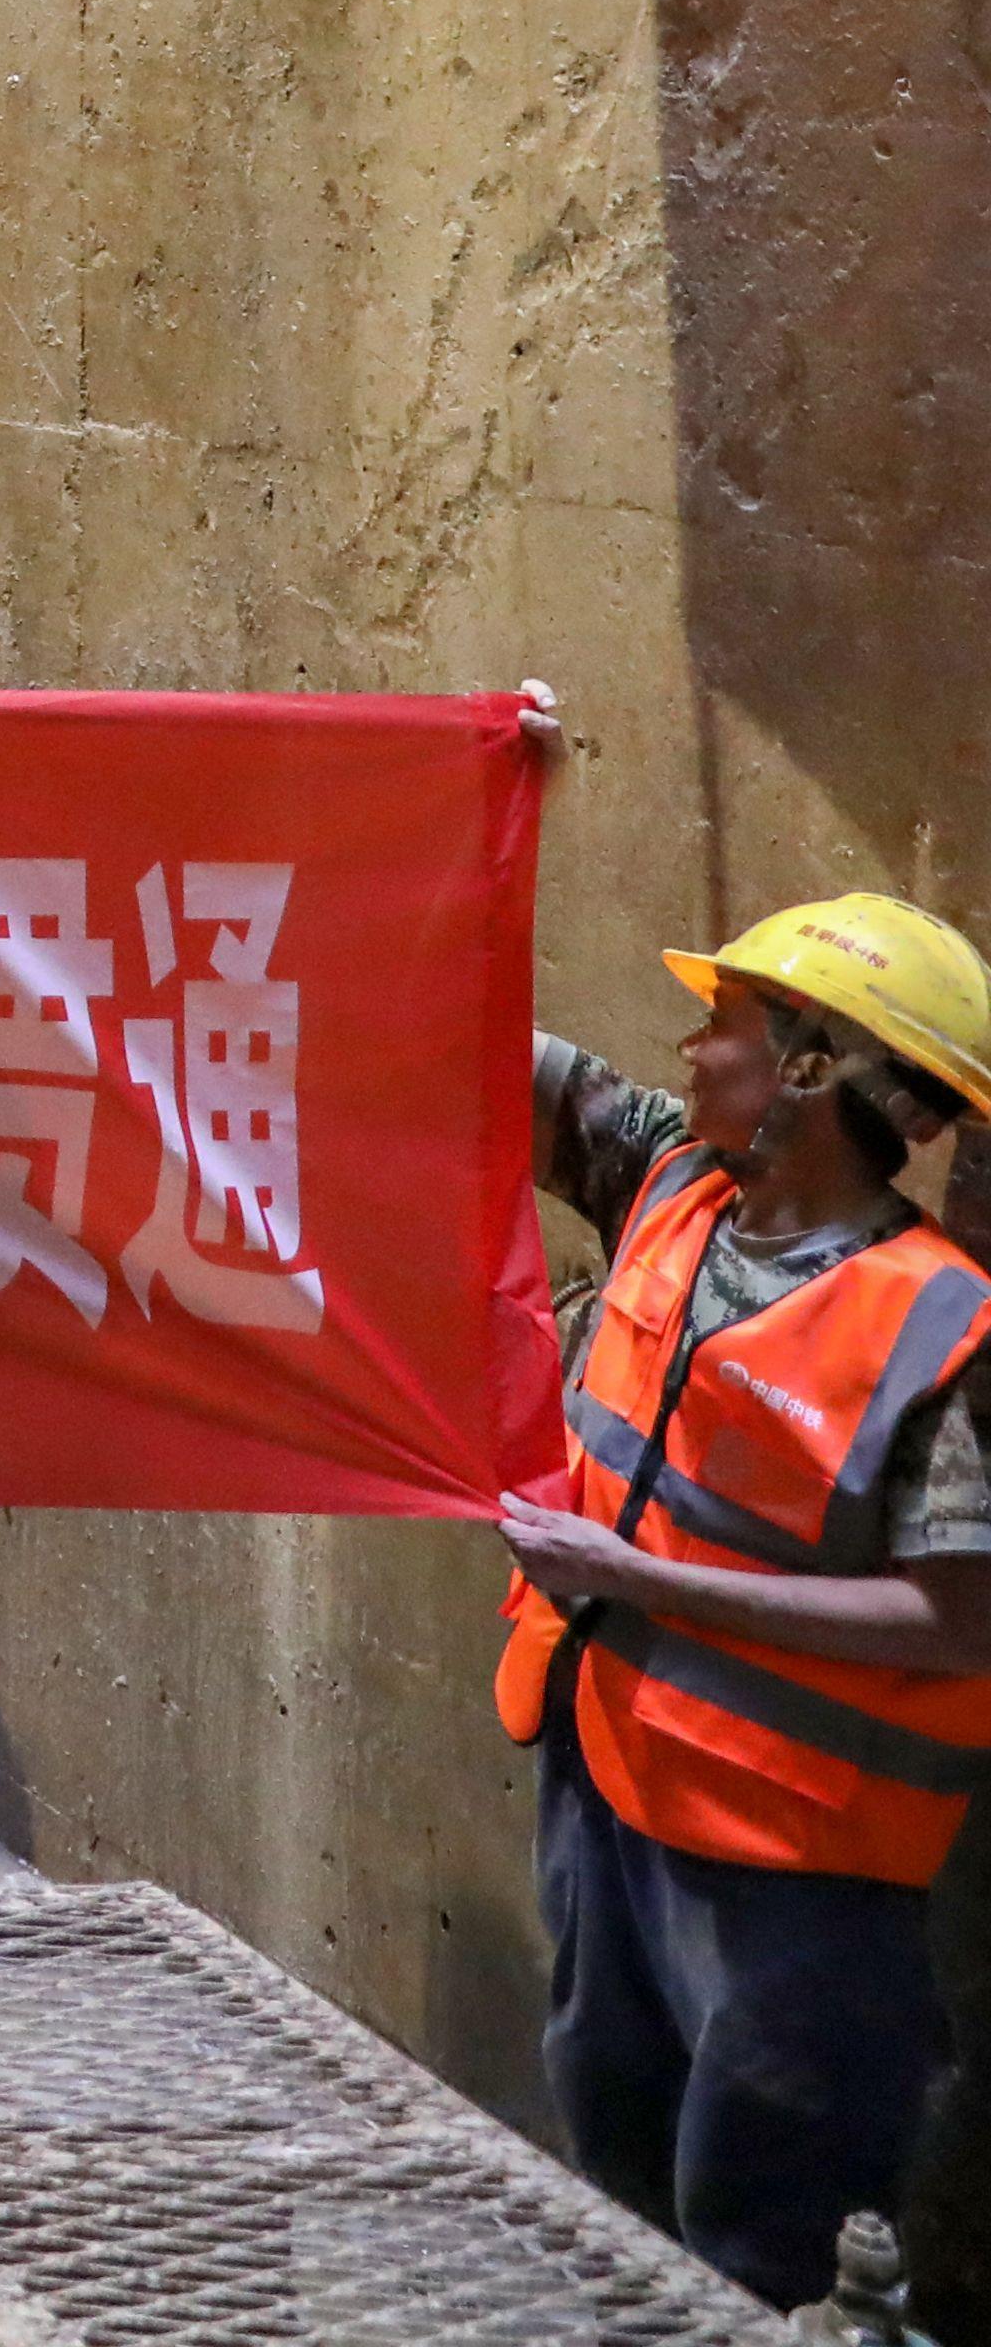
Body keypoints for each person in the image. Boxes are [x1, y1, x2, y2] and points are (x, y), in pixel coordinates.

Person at [494, 898, 991, 2304]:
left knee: (760, 2236)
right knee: (622, 2186)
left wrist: (635, 1580)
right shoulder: (669, 1185)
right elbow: (470, 1055)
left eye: (723, 1023)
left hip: (800, 1886)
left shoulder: (940, 1331)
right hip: (610, 1798)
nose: (688, 1048)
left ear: (813, 1071)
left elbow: (965, 1623)